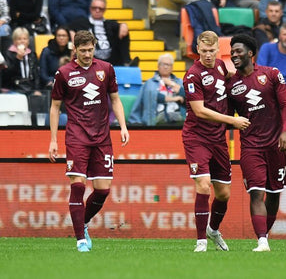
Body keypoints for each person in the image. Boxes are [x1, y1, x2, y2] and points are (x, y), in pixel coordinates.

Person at [48, 30, 130, 252]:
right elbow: (55, 107)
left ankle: (82, 223)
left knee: (103, 190)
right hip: (76, 137)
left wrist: (122, 126)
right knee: (77, 186)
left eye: (90, 49)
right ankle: (80, 240)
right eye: (82, 50)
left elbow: (115, 99)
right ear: (74, 49)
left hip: (102, 137)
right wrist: (53, 140)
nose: (86, 54)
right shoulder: (64, 73)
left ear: (94, 47)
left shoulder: (105, 69)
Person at [182, 31, 250, 252]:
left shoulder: (221, 66)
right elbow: (200, 111)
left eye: (212, 50)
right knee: (203, 184)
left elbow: (230, 77)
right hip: (197, 137)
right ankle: (201, 240)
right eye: (204, 51)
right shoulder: (192, 75)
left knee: (223, 193)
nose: (208, 55)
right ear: (198, 50)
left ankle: (213, 230)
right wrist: (232, 120)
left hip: (218, 138)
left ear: (218, 50)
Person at [226, 33, 286, 251]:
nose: (234, 55)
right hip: (251, 147)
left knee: (273, 196)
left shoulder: (271, 74)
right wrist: (233, 121)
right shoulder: (231, 85)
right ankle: (262, 240)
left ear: (251, 54)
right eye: (232, 51)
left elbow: (285, 105)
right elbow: (226, 117)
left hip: (276, 145)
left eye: (238, 51)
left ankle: (264, 236)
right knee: (256, 192)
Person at [68, 0, 133, 67]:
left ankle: (127, 62)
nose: (97, 10)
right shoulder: (80, 22)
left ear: (104, 10)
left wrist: (123, 25)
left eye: (100, 9)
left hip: (112, 58)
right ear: (90, 9)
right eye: (94, 8)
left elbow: (121, 27)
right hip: (90, 57)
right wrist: (72, 33)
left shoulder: (111, 24)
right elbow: (68, 28)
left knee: (123, 31)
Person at [128, 53, 186, 126]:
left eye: (168, 65)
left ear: (172, 67)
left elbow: (189, 99)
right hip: (155, 121)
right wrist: (173, 99)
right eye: (163, 64)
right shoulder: (149, 83)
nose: (165, 67)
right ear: (158, 66)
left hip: (178, 120)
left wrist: (173, 84)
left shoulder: (179, 82)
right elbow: (144, 100)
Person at [1, 27, 40, 96]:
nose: (22, 41)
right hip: (14, 87)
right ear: (14, 41)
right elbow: (7, 74)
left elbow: (36, 73)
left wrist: (37, 89)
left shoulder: (32, 54)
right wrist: (18, 59)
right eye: (19, 39)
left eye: (25, 39)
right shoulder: (8, 53)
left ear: (28, 41)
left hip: (30, 87)